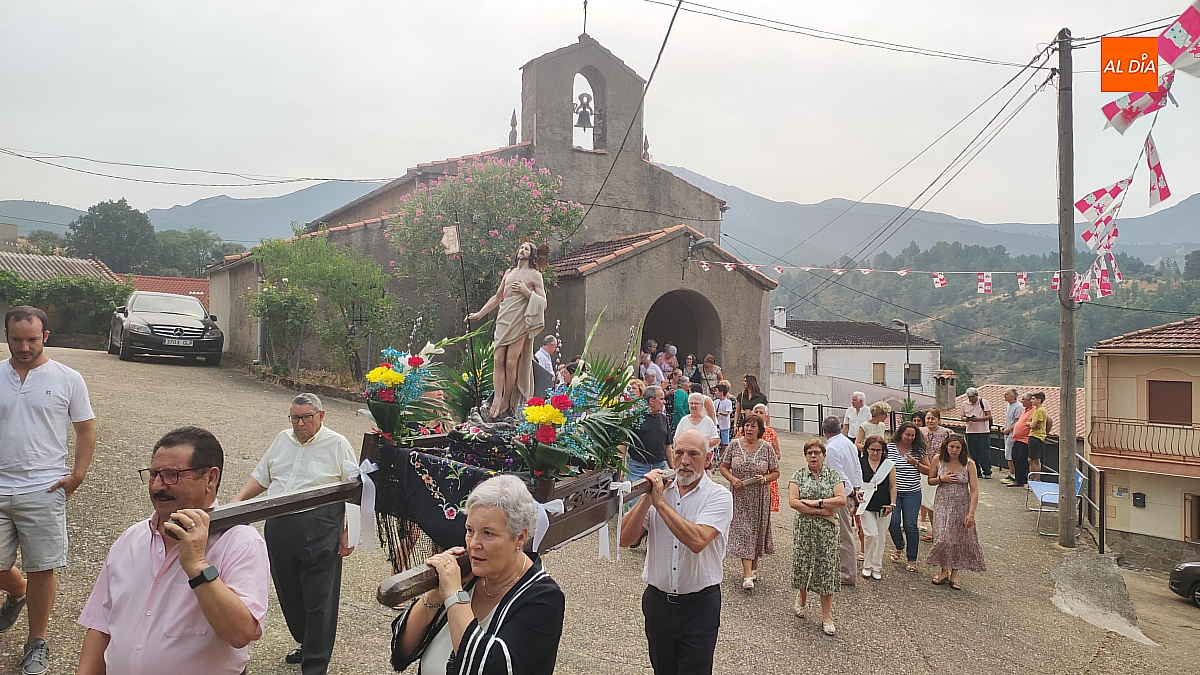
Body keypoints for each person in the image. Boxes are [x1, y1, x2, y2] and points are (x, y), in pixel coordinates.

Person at [76, 427, 269, 675]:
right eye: (154, 474)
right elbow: (101, 625)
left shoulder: (240, 542)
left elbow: (240, 633)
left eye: (171, 475)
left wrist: (198, 567)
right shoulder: (131, 539)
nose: (157, 486)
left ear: (210, 478)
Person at [229, 393, 356, 672]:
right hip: (279, 524)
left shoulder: (338, 444)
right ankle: (307, 642)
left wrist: (352, 532)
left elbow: (356, 489)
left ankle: (315, 663)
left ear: (321, 416)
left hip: (320, 526)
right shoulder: (282, 440)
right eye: (295, 418)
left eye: (306, 417)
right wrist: (237, 502)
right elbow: (262, 477)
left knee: (319, 598)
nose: (300, 424)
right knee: (289, 593)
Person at [1, 306, 96, 675]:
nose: (24, 347)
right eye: (16, 339)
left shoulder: (68, 378)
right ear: (6, 337)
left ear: (45, 337)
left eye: (31, 339)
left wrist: (78, 475)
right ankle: (18, 591)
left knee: (42, 568)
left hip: (43, 487)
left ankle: (36, 643)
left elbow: (85, 429)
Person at [391, 475, 565, 674]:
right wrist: (435, 595)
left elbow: (488, 668)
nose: (473, 544)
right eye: (470, 530)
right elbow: (401, 651)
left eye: (488, 533)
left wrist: (454, 596)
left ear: (520, 537)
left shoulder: (544, 600)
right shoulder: (466, 574)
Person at [620, 429, 733, 675]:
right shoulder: (660, 491)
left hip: (699, 606)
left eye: (693, 454)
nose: (684, 461)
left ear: (708, 459)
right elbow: (624, 539)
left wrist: (660, 504)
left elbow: (697, 540)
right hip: (658, 603)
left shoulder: (719, 496)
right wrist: (647, 498)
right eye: (679, 453)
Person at [466, 241, 548, 419]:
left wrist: (526, 292)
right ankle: (497, 396)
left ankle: (506, 400)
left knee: (511, 363)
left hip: (519, 321)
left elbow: (543, 303)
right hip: (504, 317)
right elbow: (497, 297)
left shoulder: (535, 275)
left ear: (532, 254)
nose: (522, 250)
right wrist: (479, 314)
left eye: (526, 248)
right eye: (521, 248)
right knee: (498, 359)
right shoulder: (509, 273)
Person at [788, 437, 846, 636]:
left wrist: (815, 502)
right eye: (810, 453)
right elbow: (794, 502)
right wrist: (821, 511)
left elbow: (841, 499)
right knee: (804, 564)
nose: (813, 456)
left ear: (824, 455)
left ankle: (826, 616)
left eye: (817, 453)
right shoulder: (798, 475)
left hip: (827, 531)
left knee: (826, 569)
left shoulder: (833, 475)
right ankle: (802, 596)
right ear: (805, 456)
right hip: (804, 529)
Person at [719, 415, 779, 590]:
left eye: (753, 426)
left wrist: (765, 478)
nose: (749, 429)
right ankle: (747, 576)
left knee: (756, 531)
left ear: (759, 429)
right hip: (739, 496)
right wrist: (732, 478)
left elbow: (776, 472)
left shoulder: (766, 447)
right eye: (746, 426)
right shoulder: (734, 445)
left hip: (759, 497)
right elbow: (723, 466)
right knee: (744, 531)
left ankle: (752, 568)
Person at [926, 434, 986, 589]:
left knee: (958, 539)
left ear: (962, 448)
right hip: (942, 504)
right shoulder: (938, 460)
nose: (954, 450)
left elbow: (974, 490)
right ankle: (943, 571)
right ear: (946, 446)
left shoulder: (969, 464)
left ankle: (954, 574)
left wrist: (971, 513)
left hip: (961, 506)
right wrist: (941, 479)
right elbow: (930, 480)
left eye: (957, 447)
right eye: (951, 446)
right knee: (942, 537)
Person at [820, 417, 863, 586]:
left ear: (824, 431)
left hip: (840, 495)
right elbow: (857, 468)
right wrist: (857, 489)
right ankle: (839, 568)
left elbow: (838, 476)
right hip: (849, 492)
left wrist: (851, 493)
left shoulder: (831, 448)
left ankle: (848, 573)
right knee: (838, 533)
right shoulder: (849, 444)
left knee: (843, 534)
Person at [626, 387, 673, 538]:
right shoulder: (634, 418)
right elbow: (623, 443)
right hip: (638, 467)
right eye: (661, 399)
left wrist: (673, 468)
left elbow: (668, 446)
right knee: (637, 503)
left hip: (659, 467)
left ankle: (649, 534)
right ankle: (635, 534)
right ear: (651, 401)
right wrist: (619, 467)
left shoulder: (663, 420)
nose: (664, 402)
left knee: (656, 504)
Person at [887, 422, 929, 573]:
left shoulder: (919, 449)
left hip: (912, 492)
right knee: (893, 521)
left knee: (910, 525)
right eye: (907, 435)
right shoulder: (890, 447)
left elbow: (928, 470)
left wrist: (916, 463)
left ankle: (912, 558)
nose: (910, 438)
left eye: (913, 435)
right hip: (893, 492)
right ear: (900, 434)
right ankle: (899, 545)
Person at [858, 436, 896, 580]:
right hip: (865, 503)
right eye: (872, 449)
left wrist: (892, 504)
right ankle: (867, 565)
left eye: (878, 450)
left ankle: (876, 566)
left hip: (884, 505)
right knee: (871, 534)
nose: (875, 453)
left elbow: (893, 486)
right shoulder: (860, 463)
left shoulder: (889, 465)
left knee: (881, 537)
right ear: (867, 449)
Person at [919, 411, 950, 541]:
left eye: (933, 418)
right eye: (928, 418)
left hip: (942, 469)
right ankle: (935, 531)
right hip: (924, 470)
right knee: (929, 502)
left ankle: (944, 532)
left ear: (939, 420)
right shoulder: (920, 431)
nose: (930, 421)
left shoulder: (946, 433)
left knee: (941, 503)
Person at [750, 404, 782, 513]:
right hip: (748, 472)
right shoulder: (744, 430)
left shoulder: (770, 433)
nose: (758, 414)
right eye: (756, 412)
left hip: (766, 473)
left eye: (761, 412)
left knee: (764, 508)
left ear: (766, 417)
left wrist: (766, 460)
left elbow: (778, 454)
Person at [961, 387, 993, 479]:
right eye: (969, 397)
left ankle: (987, 471)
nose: (971, 399)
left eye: (973, 397)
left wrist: (978, 419)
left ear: (977, 395)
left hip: (983, 431)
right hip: (970, 431)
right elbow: (962, 416)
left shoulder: (983, 402)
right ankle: (976, 472)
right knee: (972, 453)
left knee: (984, 452)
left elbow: (989, 416)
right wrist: (966, 419)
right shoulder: (965, 404)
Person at [1006, 394, 1035, 488]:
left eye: (1023, 399)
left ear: (1030, 401)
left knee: (1021, 460)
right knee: (1015, 458)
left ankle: (1021, 480)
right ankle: (1018, 478)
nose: (1021, 401)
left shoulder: (1035, 410)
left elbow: (1048, 420)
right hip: (1017, 439)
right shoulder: (1025, 410)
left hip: (1025, 439)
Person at [999, 388, 1021, 484]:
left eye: (1006, 394)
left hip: (1013, 434)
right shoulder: (1008, 405)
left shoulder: (1018, 407)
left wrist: (1009, 429)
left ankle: (1013, 475)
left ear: (1013, 396)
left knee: (1010, 455)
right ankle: (1011, 473)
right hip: (1008, 433)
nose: (1005, 396)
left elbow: (1019, 422)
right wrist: (1005, 427)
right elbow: (1009, 419)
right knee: (1007, 454)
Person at [1029, 392, 1050, 482]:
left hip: (1037, 437)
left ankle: (1035, 479)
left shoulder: (1040, 411)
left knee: (1033, 459)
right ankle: (1033, 479)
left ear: (1039, 400)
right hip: (1033, 435)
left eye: (1033, 399)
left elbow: (1033, 425)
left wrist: (1031, 424)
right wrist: (1031, 424)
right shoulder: (1035, 410)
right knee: (1033, 459)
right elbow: (1028, 422)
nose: (1031, 401)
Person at [713, 384, 733, 459]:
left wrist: (719, 413)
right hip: (717, 425)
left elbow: (727, 413)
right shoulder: (715, 402)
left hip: (725, 426)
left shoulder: (728, 402)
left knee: (725, 444)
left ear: (721, 392)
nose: (715, 393)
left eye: (717, 391)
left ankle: (724, 457)